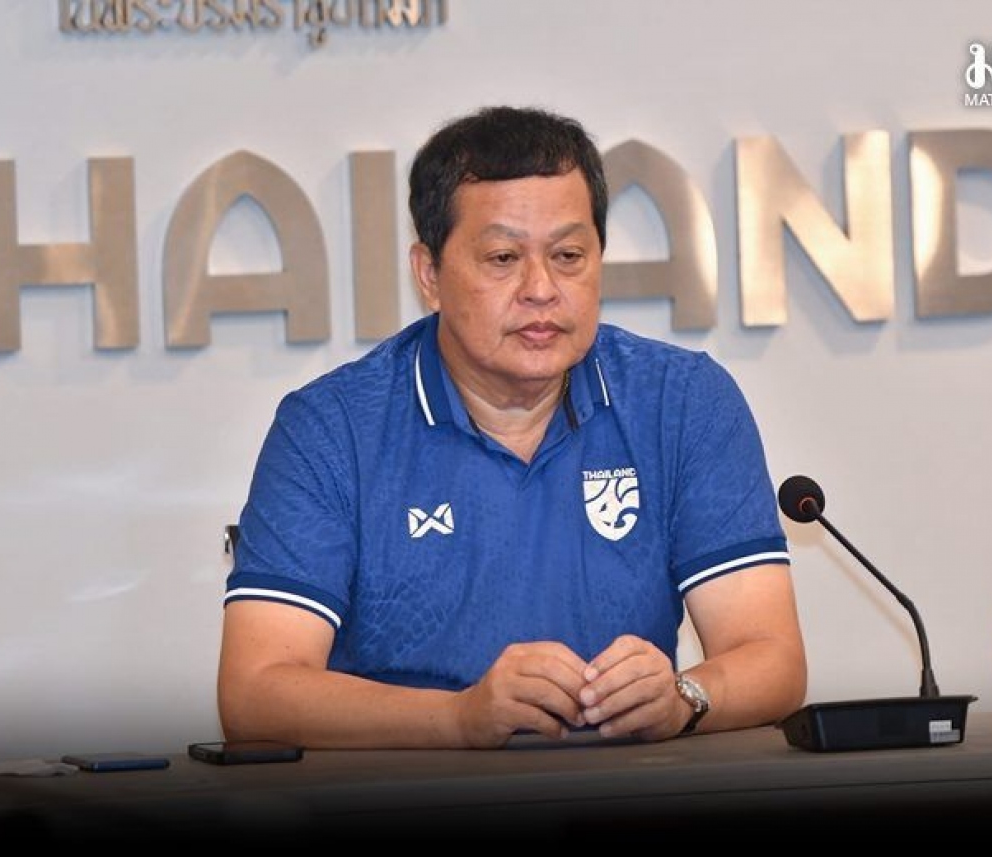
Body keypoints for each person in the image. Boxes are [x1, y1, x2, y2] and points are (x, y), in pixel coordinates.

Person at [217, 105, 806, 750]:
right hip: (411, 789)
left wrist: (684, 699)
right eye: (502, 257)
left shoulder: (682, 402)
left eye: (569, 255)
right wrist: (460, 719)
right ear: (430, 275)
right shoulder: (331, 430)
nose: (541, 288)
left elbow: (770, 656)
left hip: (628, 791)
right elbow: (257, 693)